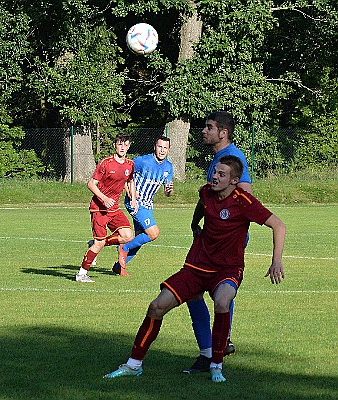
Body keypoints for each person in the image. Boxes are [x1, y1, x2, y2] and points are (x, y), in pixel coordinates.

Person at [103, 155, 286, 382]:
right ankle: (133, 365)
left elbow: (278, 225)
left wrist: (276, 260)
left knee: (222, 301)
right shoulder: (206, 192)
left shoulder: (244, 201)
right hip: (196, 267)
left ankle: (216, 364)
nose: (215, 177)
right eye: (215, 172)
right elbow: (202, 205)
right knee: (156, 307)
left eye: (221, 174)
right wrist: (193, 224)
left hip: (227, 269)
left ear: (234, 180)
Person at [183, 111, 252, 374]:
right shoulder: (218, 158)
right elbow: (209, 198)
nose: (204, 131)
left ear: (223, 132)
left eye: (209, 127)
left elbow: (245, 195)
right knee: (214, 291)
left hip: (225, 241)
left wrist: (223, 227)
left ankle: (211, 350)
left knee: (198, 290)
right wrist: (195, 221)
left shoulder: (233, 158)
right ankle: (220, 344)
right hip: (212, 239)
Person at [76, 133, 138, 283]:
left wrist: (134, 199)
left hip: (114, 208)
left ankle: (98, 243)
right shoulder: (106, 163)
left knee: (128, 235)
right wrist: (104, 198)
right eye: (120, 144)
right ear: (115, 146)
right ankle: (81, 274)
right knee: (99, 242)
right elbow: (91, 184)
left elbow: (130, 181)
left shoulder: (130, 164)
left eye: (125, 144)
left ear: (129, 146)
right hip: (99, 208)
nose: (122, 147)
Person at [113, 136, 174, 276]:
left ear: (168, 150)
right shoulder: (142, 161)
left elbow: (168, 192)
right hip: (135, 203)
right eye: (160, 147)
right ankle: (124, 247)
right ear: (155, 147)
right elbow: (125, 174)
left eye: (165, 148)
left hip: (147, 205)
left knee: (140, 239)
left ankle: (118, 266)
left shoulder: (168, 167)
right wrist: (130, 193)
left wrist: (169, 191)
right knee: (154, 233)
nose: (162, 150)